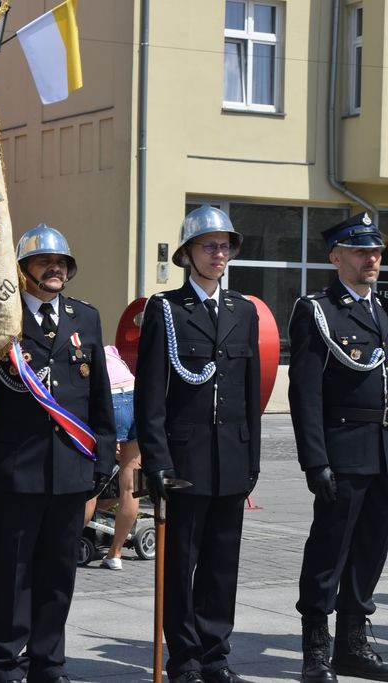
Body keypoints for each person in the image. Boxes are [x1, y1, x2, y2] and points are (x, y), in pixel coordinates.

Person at [0, 224, 116, 683]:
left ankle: (48, 663)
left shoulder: (86, 318)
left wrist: (102, 462)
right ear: (22, 272)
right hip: (13, 471)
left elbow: (99, 396)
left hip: (70, 470)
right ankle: (5, 662)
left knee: (58, 574)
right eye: (44, 262)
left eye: (61, 262)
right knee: (10, 573)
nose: (55, 268)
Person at [135, 206, 261, 683]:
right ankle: (184, 657)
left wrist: (251, 458)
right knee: (180, 564)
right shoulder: (166, 310)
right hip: (184, 461)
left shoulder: (242, 310)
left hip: (231, 459)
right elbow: (151, 395)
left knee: (221, 566)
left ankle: (215, 655)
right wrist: (157, 462)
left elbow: (250, 390)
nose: (219, 253)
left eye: (225, 245)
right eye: (209, 245)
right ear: (187, 253)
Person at [288, 212, 388, 683]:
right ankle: (316, 648)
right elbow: (305, 393)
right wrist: (316, 460)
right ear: (336, 257)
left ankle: (352, 643)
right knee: (329, 551)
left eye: (376, 250)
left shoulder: (381, 310)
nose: (373, 258)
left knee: (371, 550)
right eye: (361, 250)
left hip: (382, 450)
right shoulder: (318, 310)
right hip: (343, 450)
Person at [84, 344, 140, 570]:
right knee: (132, 483)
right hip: (135, 395)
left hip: (110, 399)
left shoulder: (86, 352)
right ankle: (115, 553)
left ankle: (62, 548)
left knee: (91, 480)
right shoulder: (112, 350)